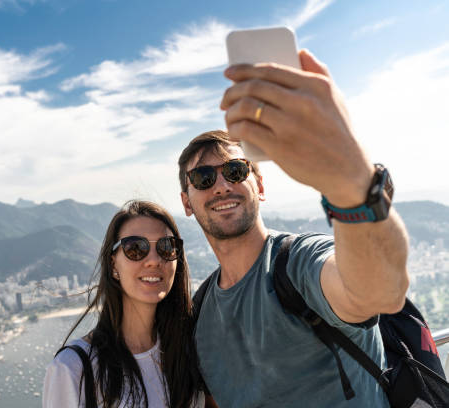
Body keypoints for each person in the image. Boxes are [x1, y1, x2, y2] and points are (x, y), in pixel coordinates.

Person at [178, 49, 409, 407]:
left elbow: (378, 293)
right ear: (186, 203)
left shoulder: (297, 263)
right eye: (203, 177)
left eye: (236, 172)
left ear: (260, 185)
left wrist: (350, 181)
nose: (221, 186)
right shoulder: (201, 313)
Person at [43, 200, 206, 408]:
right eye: (136, 248)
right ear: (113, 265)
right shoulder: (73, 369)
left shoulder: (189, 352)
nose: (154, 260)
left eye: (166, 247)